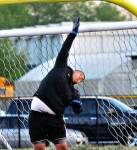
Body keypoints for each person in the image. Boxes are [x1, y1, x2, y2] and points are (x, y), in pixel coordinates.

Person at [28, 17, 85, 150]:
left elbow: (78, 107)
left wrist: (77, 106)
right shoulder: (61, 66)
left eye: (83, 79)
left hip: (56, 119)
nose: (81, 78)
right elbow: (66, 47)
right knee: (40, 148)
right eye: (81, 74)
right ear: (75, 70)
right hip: (37, 115)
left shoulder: (74, 92)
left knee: (62, 147)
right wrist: (73, 33)